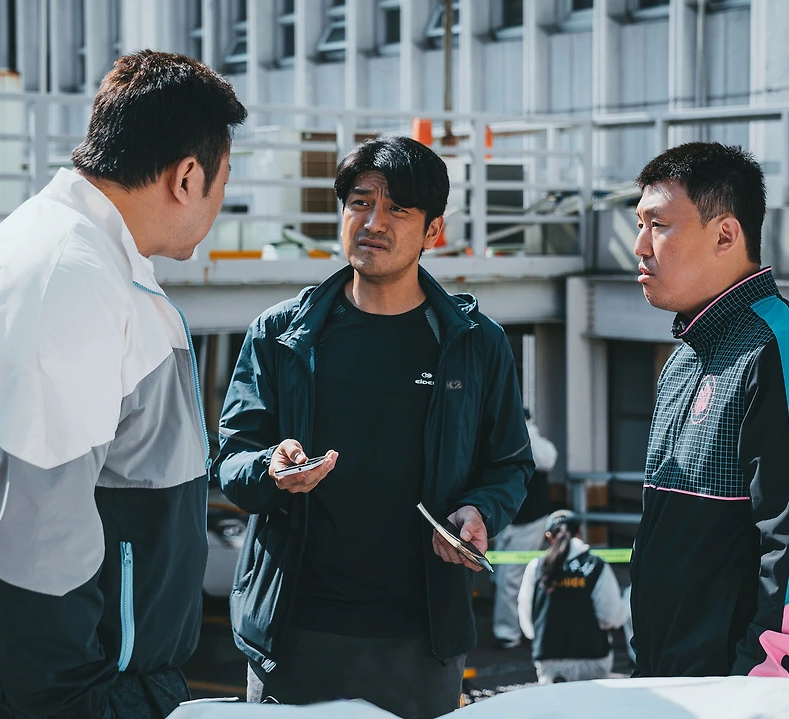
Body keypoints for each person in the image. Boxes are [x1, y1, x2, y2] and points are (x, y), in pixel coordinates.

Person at [0, 51, 246, 718]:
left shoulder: (83, 262)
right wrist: (81, 701)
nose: (219, 203)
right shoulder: (63, 281)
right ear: (187, 177)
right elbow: (36, 543)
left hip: (84, 681)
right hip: (70, 695)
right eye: (222, 182)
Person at [214, 136, 534, 719]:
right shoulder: (281, 333)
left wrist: (480, 511)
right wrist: (268, 468)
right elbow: (233, 456)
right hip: (295, 630)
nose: (373, 222)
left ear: (433, 231)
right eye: (360, 203)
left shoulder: (476, 343)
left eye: (398, 209)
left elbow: (509, 464)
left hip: (422, 637)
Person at [628, 142, 789, 679]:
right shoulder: (683, 359)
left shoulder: (785, 351)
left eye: (658, 225)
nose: (639, 245)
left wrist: (759, 689)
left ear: (726, 235)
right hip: (669, 682)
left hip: (746, 693)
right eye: (639, 224)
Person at [518, 510, 627, 683]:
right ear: (580, 532)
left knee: (554, 701)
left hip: (549, 657)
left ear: (548, 536)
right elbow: (612, 616)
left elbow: (527, 618)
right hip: (593, 655)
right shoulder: (595, 565)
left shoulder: (537, 567)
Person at [493, 408, 559, 650]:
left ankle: (509, 633)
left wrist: (525, 429)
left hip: (528, 519)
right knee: (503, 576)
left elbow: (547, 459)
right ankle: (515, 629)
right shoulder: (499, 437)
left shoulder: (532, 440)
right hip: (505, 518)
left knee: (510, 579)